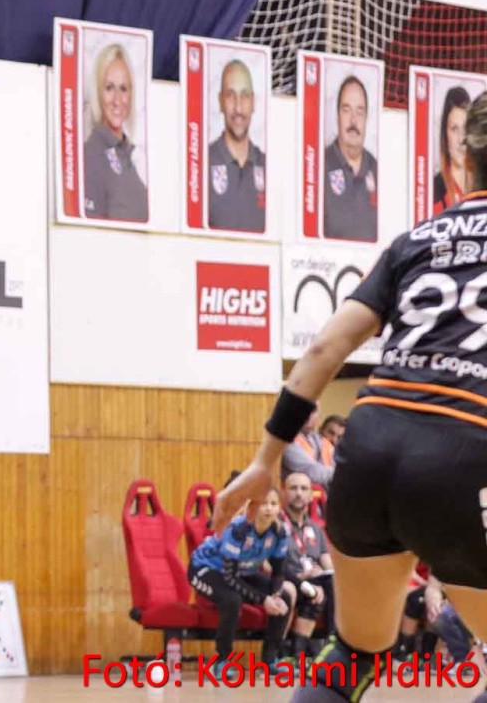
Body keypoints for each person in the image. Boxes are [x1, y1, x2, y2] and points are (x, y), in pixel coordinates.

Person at [216, 91, 487, 703]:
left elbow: (323, 349)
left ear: (465, 162)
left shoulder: (416, 241)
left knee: (354, 653)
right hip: (463, 452)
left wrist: (264, 461)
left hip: (369, 447)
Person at [188, 486, 296, 672]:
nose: (269, 508)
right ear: (252, 507)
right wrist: (263, 599)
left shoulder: (280, 532)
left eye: (273, 504)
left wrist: (275, 595)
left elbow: (278, 572)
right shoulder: (239, 529)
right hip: (205, 569)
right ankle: (222, 661)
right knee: (232, 600)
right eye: (263, 504)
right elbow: (230, 577)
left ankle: (270, 660)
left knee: (284, 596)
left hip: (241, 571)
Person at [82, 43, 148, 222]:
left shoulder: (126, 154)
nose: (117, 100)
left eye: (123, 88)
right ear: (98, 92)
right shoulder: (91, 154)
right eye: (109, 88)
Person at [207, 59, 265, 232]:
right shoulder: (202, 164)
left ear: (253, 102)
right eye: (230, 95)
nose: (238, 108)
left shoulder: (268, 168)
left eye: (244, 96)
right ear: (220, 101)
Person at [281, 472, 333, 659]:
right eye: (293, 488)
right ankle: (299, 654)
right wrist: (301, 577)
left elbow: (327, 563)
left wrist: (327, 572)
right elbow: (270, 565)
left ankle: (332, 646)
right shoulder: (276, 525)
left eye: (304, 489)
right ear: (283, 493)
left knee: (335, 583)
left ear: (311, 495)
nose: (299, 493)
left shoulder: (316, 529)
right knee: (317, 592)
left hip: (314, 581)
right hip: (288, 579)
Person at [322, 75, 378, 242]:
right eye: (346, 110)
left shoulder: (378, 170)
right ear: (337, 116)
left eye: (359, 112)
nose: (353, 120)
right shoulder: (319, 166)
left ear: (366, 118)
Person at [433, 86, 472, 214]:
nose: (461, 139)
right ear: (445, 134)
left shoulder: (481, 186)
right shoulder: (435, 191)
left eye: (466, 128)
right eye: (455, 129)